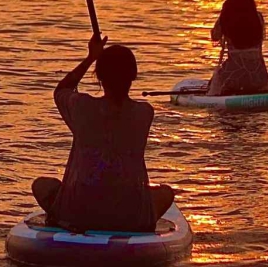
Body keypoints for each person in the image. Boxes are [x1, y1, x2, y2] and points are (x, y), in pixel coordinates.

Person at [32, 35, 176, 233]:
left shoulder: (82, 107)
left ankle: (69, 221)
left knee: (41, 186)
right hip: (130, 215)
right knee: (166, 193)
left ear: (99, 76)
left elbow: (62, 90)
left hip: (78, 212)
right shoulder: (144, 113)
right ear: (133, 76)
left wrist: (91, 57)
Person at [207, 0, 268, 96]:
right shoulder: (258, 18)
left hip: (234, 75)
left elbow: (214, 37)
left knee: (214, 85)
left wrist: (223, 14)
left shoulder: (226, 18)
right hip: (258, 76)